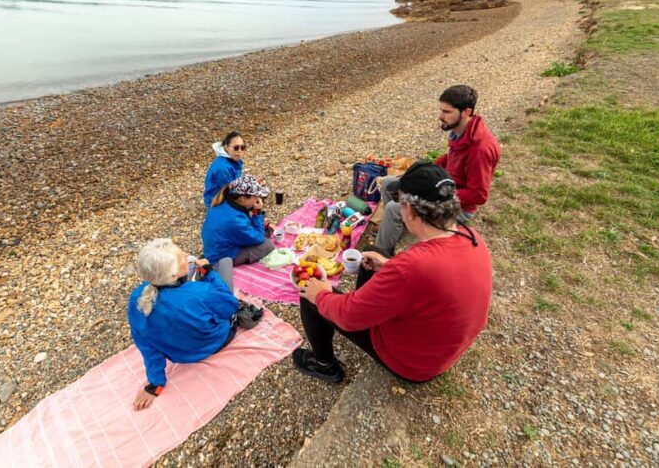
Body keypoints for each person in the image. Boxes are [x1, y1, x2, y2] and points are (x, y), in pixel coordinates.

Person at [294, 162, 492, 384]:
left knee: (309, 293)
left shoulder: (412, 266)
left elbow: (348, 317)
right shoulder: (471, 236)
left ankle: (324, 365)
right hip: (441, 349)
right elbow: (430, 281)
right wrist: (388, 265)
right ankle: (366, 304)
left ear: (411, 211)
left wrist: (320, 294)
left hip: (412, 364)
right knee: (374, 253)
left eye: (400, 200)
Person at [375, 85, 500, 257]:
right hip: (444, 188)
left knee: (392, 208)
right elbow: (449, 157)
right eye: (441, 110)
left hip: (457, 206)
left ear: (466, 112)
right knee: (390, 183)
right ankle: (400, 226)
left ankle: (381, 254)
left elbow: (479, 195)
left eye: (446, 112)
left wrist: (435, 196)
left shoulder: (480, 150)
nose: (440, 116)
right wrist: (420, 174)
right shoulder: (461, 132)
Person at [128, 238, 239, 411]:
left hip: (180, 354)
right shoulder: (200, 293)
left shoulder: (138, 299)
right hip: (213, 343)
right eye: (182, 258)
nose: (187, 256)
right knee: (224, 263)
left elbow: (145, 345)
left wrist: (155, 384)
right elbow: (230, 306)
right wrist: (209, 273)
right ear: (172, 275)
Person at [201, 174, 274, 268]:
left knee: (265, 230)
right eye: (256, 196)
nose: (258, 199)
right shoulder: (235, 220)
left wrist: (264, 224)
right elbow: (259, 238)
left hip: (215, 247)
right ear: (243, 198)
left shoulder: (225, 199)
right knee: (267, 245)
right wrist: (257, 212)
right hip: (220, 258)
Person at [203, 132, 246, 208]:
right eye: (236, 148)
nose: (240, 151)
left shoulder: (232, 160)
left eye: (242, 148)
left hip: (225, 193)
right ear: (226, 147)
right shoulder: (223, 168)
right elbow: (230, 191)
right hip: (216, 201)